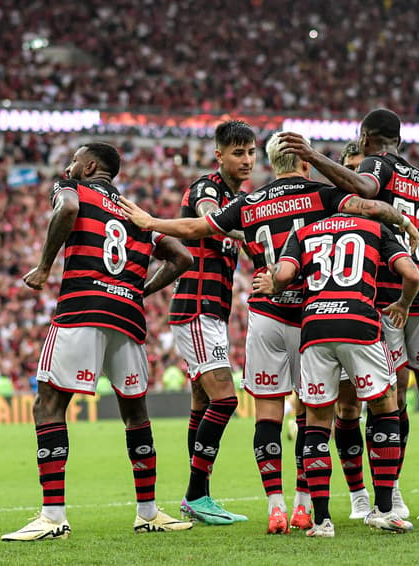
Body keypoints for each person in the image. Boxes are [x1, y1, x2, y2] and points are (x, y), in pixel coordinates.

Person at [118, 132, 418, 534]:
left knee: (268, 413)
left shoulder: (250, 202)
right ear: (305, 162)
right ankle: (305, 505)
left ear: (270, 163)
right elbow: (367, 205)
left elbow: (197, 227)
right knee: (313, 413)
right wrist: (401, 219)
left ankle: (275, 507)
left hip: (266, 315)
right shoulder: (322, 194)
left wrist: (150, 221)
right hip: (311, 315)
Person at [278, 110, 419, 524]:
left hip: (382, 297)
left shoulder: (376, 165)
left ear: (365, 138)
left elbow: (364, 187)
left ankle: (387, 495)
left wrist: (313, 155)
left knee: (387, 400)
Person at [1, 142, 194, 541]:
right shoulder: (134, 212)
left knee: (49, 405)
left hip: (82, 307)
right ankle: (148, 512)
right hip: (127, 316)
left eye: (74, 160)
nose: (68, 166)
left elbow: (67, 209)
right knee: (136, 415)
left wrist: (43, 267)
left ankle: (53, 516)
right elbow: (181, 259)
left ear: (89, 166)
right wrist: (137, 291)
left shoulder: (71, 188)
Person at [252, 212, 419, 536]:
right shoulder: (375, 227)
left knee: (316, 420)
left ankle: (322, 521)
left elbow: (283, 275)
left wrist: (271, 282)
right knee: (385, 406)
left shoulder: (305, 232)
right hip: (359, 323)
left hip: (315, 327)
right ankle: (384, 510)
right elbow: (411, 275)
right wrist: (403, 304)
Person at [170, 120, 256, 525]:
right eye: (238, 152)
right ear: (219, 155)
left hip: (213, 309)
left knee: (203, 403)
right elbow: (207, 215)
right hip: (197, 306)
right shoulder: (209, 189)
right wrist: (243, 228)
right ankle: (194, 495)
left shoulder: (242, 198)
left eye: (251, 152)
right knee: (225, 398)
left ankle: (200, 496)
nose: (247, 160)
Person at [333, 140, 373, 519]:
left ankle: (388, 494)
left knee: (388, 402)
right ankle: (358, 494)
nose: (359, 176)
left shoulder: (382, 212)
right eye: (352, 169)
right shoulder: (329, 207)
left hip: (386, 316)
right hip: (340, 315)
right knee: (346, 406)